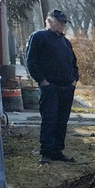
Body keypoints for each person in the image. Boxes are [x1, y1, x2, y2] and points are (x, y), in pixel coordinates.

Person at [25, 9, 79, 165]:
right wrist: (42, 81)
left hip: (67, 87)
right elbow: (31, 62)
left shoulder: (65, 42)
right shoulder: (39, 37)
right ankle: (46, 152)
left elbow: (74, 64)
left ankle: (57, 151)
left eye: (64, 23)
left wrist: (74, 80)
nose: (62, 25)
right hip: (50, 86)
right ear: (49, 21)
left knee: (62, 120)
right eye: (59, 22)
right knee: (50, 119)